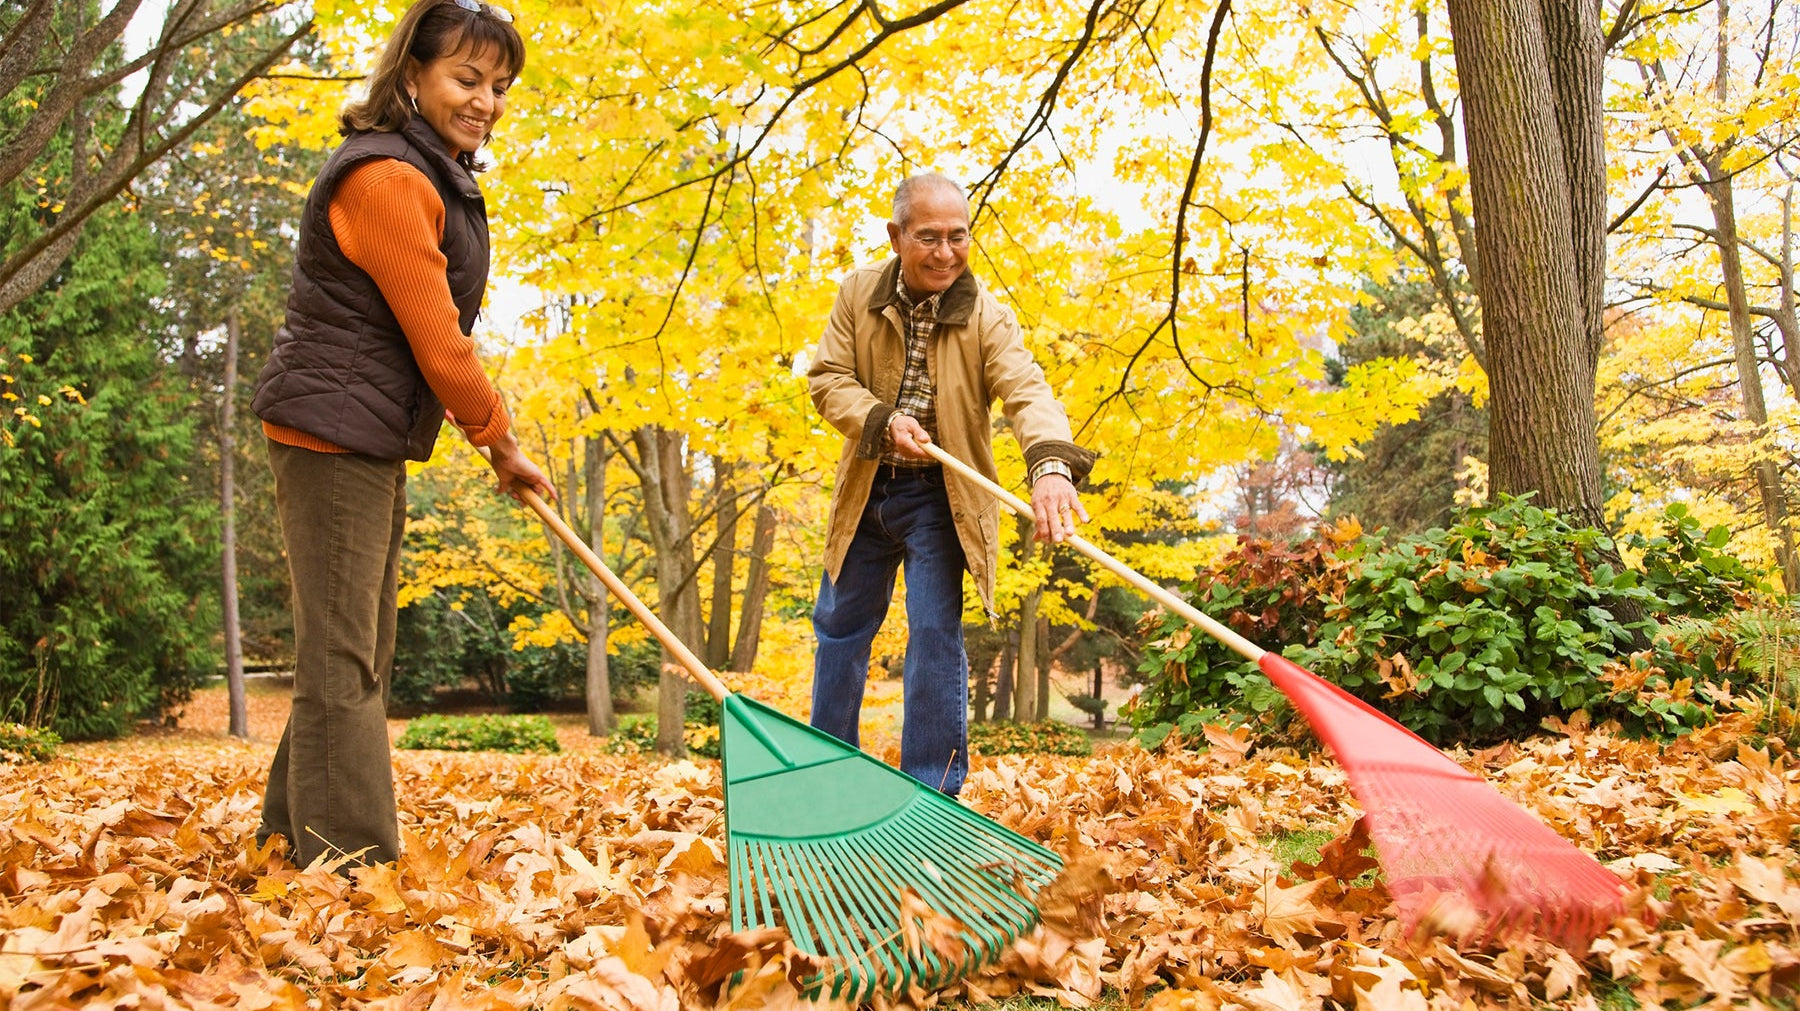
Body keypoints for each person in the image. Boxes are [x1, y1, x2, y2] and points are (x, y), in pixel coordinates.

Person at [249, 0, 553, 869]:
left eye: (499, 86)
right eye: (467, 78)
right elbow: (438, 337)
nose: (486, 100)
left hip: (367, 433)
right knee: (345, 657)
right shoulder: (385, 178)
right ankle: (351, 863)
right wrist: (499, 440)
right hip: (329, 436)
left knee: (354, 652)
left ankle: (285, 837)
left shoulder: (431, 172)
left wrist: (491, 440)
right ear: (411, 74)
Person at [807, 172, 1095, 797]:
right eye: (929, 237)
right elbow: (827, 379)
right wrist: (881, 421)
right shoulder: (858, 294)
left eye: (958, 237)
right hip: (866, 487)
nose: (945, 253)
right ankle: (827, 776)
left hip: (940, 498)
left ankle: (930, 793)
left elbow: (1028, 390)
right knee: (839, 626)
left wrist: (1049, 467)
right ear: (897, 235)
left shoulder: (987, 317)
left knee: (935, 633)